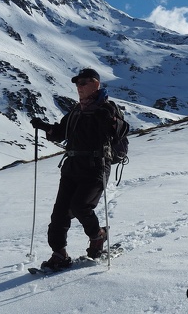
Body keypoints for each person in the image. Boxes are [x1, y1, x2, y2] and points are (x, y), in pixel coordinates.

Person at [30, 68, 129, 270]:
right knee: (59, 215)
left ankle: (98, 237)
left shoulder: (107, 107)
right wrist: (44, 127)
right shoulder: (76, 111)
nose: (79, 86)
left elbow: (120, 131)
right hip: (72, 167)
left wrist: (109, 120)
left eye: (84, 82)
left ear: (96, 84)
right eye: (77, 83)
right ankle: (59, 254)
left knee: (80, 206)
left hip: (96, 166)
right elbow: (59, 133)